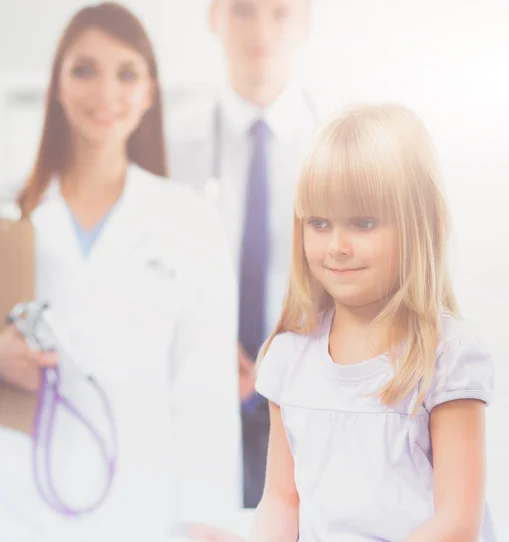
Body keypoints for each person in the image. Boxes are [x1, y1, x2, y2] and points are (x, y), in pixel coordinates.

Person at [0, 3, 242, 541]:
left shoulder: (189, 222)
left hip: (137, 512)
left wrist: (210, 527)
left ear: (150, 93)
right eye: (84, 69)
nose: (105, 93)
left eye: (127, 73)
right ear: (57, 86)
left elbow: (204, 394)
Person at [250, 104, 497, 541]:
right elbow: (281, 499)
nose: (337, 246)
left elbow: (458, 523)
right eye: (320, 223)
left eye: (363, 223)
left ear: (420, 225)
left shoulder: (446, 356)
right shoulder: (290, 358)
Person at [167, 0, 316, 509]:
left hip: (307, 399)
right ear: (214, 17)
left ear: (305, 21)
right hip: (198, 393)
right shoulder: (169, 146)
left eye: (279, 11)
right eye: (244, 9)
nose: (261, 28)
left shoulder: (335, 144)